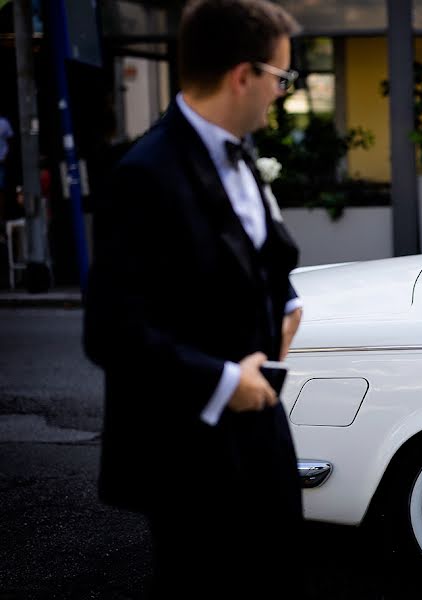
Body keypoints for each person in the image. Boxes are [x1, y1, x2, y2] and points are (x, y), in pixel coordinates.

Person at [82, 0, 304, 596]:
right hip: (190, 446)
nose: (281, 93)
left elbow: (259, 255)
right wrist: (225, 382)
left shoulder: (241, 154)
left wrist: (284, 304)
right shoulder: (141, 174)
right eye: (279, 77)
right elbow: (111, 330)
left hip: (263, 424)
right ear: (242, 76)